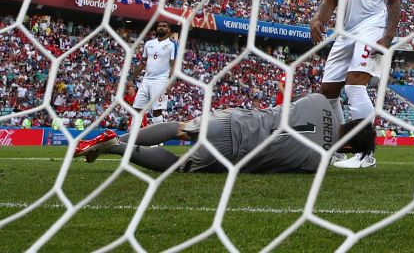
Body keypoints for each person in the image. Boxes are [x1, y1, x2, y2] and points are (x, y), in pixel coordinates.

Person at [309, 0, 402, 169]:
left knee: (354, 87)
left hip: (372, 28)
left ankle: (365, 153)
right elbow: (330, 0)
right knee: (327, 92)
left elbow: (395, 1)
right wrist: (318, 19)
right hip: (345, 31)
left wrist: (388, 36)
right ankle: (338, 148)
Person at [75, 93, 373, 174]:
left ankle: (113, 138)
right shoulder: (316, 164)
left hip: (234, 121)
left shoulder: (318, 101)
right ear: (348, 150)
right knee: (182, 165)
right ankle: (114, 147)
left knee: (179, 128)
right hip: (232, 152)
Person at [134, 20, 176, 126]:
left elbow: (174, 65)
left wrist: (170, 84)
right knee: (136, 110)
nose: (161, 28)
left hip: (161, 81)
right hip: (146, 80)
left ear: (169, 30)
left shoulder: (172, 45)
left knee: (157, 111)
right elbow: (143, 63)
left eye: (164, 26)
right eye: (159, 26)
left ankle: (158, 142)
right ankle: (133, 138)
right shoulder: (149, 43)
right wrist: (131, 78)